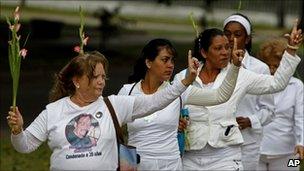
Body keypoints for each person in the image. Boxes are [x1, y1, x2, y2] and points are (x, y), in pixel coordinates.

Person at [6, 50, 199, 170]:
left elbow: (155, 101)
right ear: (77, 81)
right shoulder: (53, 110)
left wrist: (184, 82)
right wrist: (17, 131)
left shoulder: (114, 104)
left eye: (103, 76)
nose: (101, 81)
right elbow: (25, 146)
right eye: (94, 76)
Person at [174, 23, 302, 170]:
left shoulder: (240, 74)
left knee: (292, 167)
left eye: (227, 47)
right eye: (218, 48)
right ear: (204, 52)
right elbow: (169, 107)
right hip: (190, 155)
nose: (225, 52)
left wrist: (291, 49)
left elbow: (277, 84)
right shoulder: (184, 77)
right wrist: (176, 122)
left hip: (233, 155)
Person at [117, 38, 243, 170]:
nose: (170, 65)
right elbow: (111, 127)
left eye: (172, 60)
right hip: (136, 164)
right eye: (165, 60)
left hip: (170, 165)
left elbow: (220, 96)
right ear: (148, 62)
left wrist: (234, 66)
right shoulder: (128, 92)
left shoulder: (180, 91)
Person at [223, 13, 275, 170]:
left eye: (237, 34)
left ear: (247, 39)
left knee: (291, 165)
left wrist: (250, 120)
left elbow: (270, 110)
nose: (231, 39)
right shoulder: (216, 66)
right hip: (220, 142)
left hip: (248, 144)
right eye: (227, 34)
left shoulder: (260, 69)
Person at [257, 38, 304, 171]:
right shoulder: (257, 84)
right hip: (258, 151)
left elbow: (300, 118)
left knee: (294, 168)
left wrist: (301, 143)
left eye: (276, 66)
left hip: (290, 153)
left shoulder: (297, 86)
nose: (272, 70)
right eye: (268, 66)